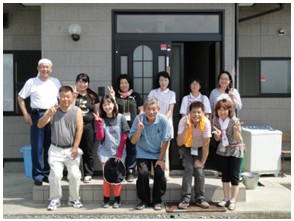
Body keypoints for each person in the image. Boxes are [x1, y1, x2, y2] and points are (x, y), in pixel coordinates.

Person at [37, 85, 84, 211]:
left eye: (68, 96)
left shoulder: (76, 110)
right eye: (62, 96)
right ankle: (55, 199)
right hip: (55, 149)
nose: (65, 99)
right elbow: (40, 125)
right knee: (56, 175)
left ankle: (74, 199)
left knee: (74, 174)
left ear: (72, 96)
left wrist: (75, 147)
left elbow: (80, 129)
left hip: (71, 149)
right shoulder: (53, 110)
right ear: (59, 97)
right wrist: (47, 115)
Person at [18, 58, 61, 186]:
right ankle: (37, 175)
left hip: (52, 115)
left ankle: (47, 173)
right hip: (37, 115)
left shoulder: (56, 82)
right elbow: (20, 98)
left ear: (51, 69)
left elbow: (61, 99)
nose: (45, 69)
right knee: (37, 147)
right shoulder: (31, 82)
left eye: (47, 67)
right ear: (38, 68)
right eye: (42, 67)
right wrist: (26, 114)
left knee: (50, 146)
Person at [128, 96, 172, 211]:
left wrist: (161, 159)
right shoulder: (139, 118)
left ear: (158, 108)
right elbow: (133, 141)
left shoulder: (163, 120)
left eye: (154, 109)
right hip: (143, 151)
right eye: (148, 109)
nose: (151, 112)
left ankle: (157, 200)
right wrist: (139, 130)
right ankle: (144, 200)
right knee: (143, 173)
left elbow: (165, 141)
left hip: (158, 152)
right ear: (144, 109)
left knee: (159, 173)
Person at [94, 95, 130, 209]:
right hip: (105, 152)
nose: (107, 107)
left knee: (117, 177)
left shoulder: (121, 118)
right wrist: (99, 125)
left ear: (114, 104)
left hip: (119, 153)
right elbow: (100, 138)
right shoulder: (102, 119)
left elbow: (125, 136)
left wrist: (119, 153)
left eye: (109, 104)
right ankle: (106, 199)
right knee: (106, 178)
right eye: (104, 105)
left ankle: (117, 200)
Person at [176, 101, 211, 209]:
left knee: (199, 170)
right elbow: (179, 142)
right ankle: (185, 198)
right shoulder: (183, 121)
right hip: (186, 147)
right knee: (189, 168)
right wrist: (186, 128)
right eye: (194, 112)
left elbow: (206, 145)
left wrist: (202, 162)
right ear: (189, 113)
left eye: (199, 112)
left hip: (200, 147)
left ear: (203, 113)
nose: (196, 115)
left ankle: (200, 198)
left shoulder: (206, 123)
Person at [211, 98, 244, 211]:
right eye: (219, 109)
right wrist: (217, 135)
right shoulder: (215, 121)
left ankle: (233, 199)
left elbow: (238, 138)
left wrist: (236, 130)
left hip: (235, 149)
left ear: (229, 110)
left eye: (225, 109)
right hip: (223, 150)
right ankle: (226, 198)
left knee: (234, 175)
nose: (222, 112)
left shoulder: (234, 120)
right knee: (225, 175)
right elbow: (217, 139)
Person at [113, 74, 143, 182]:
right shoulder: (116, 96)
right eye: (121, 83)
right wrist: (112, 97)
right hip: (120, 127)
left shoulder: (135, 96)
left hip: (133, 126)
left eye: (126, 83)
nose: (124, 85)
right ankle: (120, 171)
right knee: (120, 149)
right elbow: (113, 111)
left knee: (132, 149)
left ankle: (130, 171)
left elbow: (141, 111)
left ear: (129, 84)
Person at [148, 71, 176, 179]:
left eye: (165, 80)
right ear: (158, 81)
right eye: (161, 80)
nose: (163, 82)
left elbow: (170, 110)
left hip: (166, 124)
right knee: (154, 147)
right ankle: (154, 172)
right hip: (153, 123)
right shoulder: (153, 92)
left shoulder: (171, 94)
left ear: (168, 81)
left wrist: (162, 119)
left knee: (165, 148)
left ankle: (165, 172)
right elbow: (149, 107)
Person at [74, 73, 100, 183]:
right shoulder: (72, 94)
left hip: (89, 126)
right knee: (75, 150)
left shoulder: (93, 96)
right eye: (80, 81)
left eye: (85, 82)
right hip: (74, 127)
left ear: (88, 83)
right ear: (76, 82)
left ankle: (88, 173)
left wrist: (97, 127)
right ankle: (76, 173)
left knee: (88, 151)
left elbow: (96, 112)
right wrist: (73, 97)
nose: (82, 84)